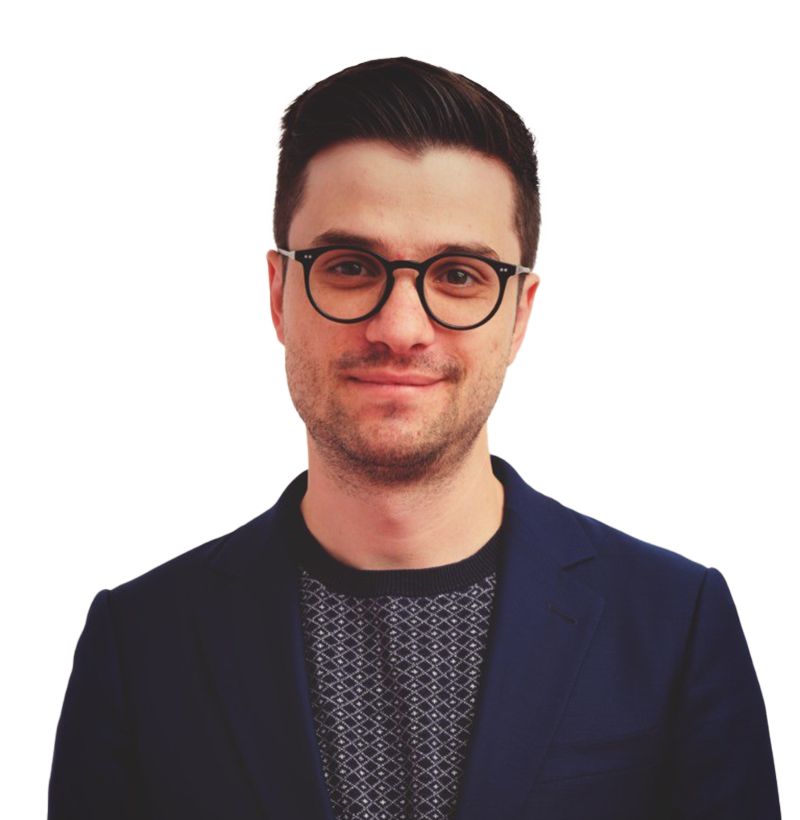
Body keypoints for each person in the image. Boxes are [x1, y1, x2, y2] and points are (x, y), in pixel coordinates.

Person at [48, 56, 781, 820]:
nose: (400, 328)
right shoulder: (138, 643)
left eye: (459, 275)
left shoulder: (676, 623)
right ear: (278, 294)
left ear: (521, 314)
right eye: (350, 266)